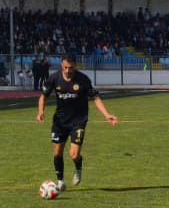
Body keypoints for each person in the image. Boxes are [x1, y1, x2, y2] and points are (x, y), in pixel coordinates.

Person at [36, 53, 118, 187]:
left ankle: (78, 167)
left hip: (78, 121)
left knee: (74, 155)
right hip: (60, 122)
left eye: (70, 68)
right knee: (57, 153)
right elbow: (43, 96)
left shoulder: (83, 80)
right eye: (65, 68)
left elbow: (95, 98)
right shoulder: (54, 78)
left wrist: (107, 115)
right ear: (62, 66)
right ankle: (61, 181)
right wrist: (41, 111)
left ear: (75, 66)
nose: (67, 71)